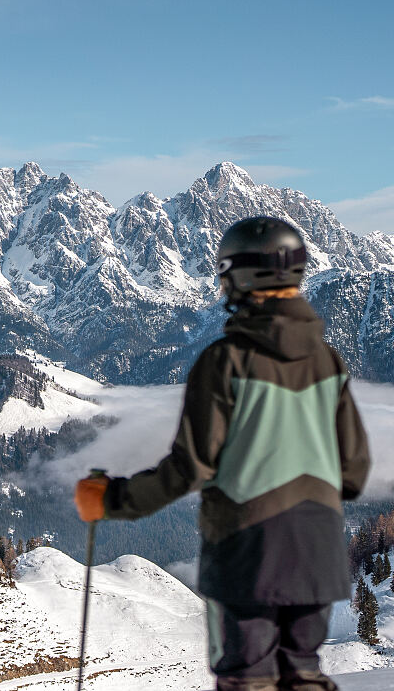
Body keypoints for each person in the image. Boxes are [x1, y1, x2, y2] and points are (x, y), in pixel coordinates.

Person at [75, 216, 370, 691]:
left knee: (248, 680)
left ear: (243, 277)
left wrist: (112, 499)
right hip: (319, 552)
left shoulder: (224, 361)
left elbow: (191, 465)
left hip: (247, 552)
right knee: (304, 677)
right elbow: (353, 471)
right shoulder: (328, 361)